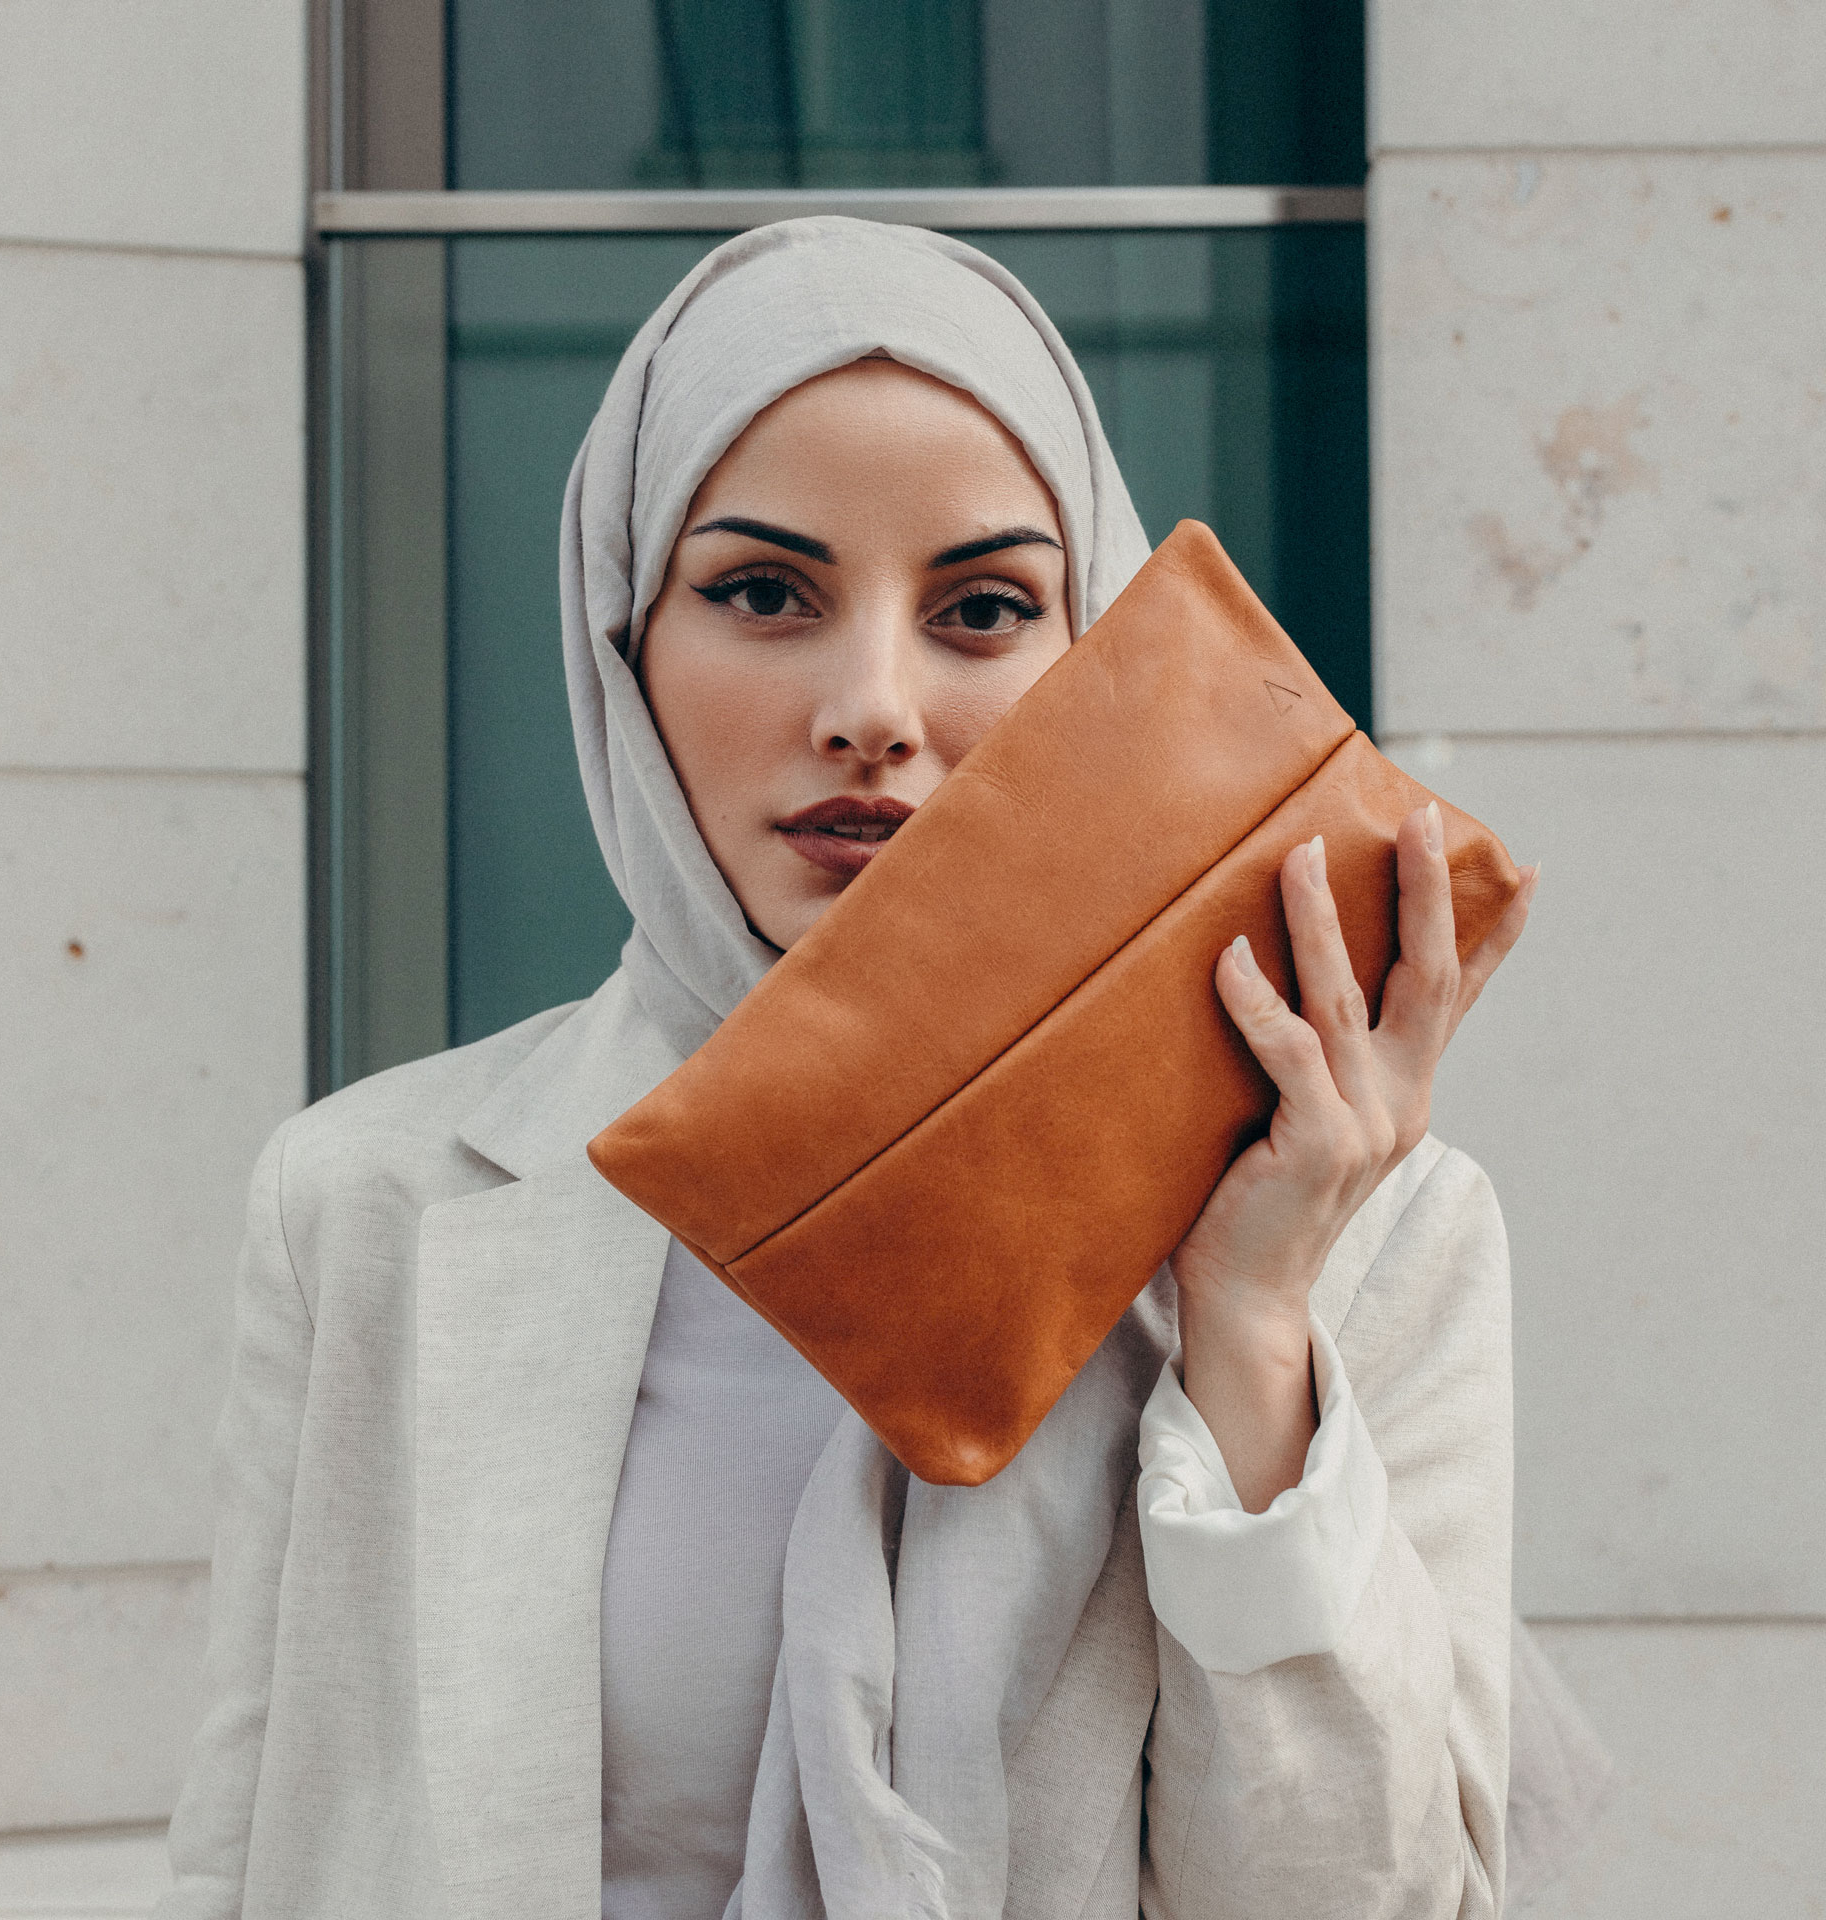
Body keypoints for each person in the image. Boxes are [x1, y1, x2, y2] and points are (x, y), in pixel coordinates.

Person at [160, 219, 1551, 1920]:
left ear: (1098, 667)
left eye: (984, 609)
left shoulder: (1383, 1236)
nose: (872, 710)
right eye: (763, 593)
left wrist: (1249, 1325)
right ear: (621, 643)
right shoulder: (365, 1206)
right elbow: (248, 1853)